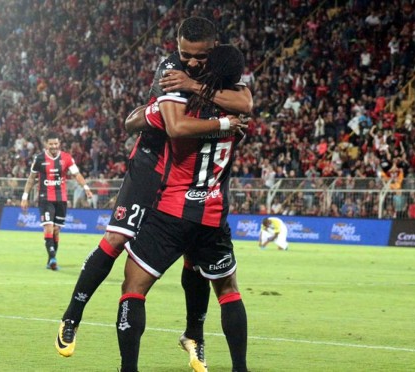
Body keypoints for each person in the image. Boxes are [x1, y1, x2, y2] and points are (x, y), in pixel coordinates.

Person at [55, 17, 252, 372]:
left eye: (201, 57)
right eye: (185, 54)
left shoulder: (216, 81)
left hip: (180, 186)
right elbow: (151, 124)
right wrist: (220, 121)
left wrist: (194, 91)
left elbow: (243, 101)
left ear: (215, 51)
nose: (190, 62)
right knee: (116, 238)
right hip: (150, 167)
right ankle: (72, 315)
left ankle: (194, 334)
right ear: (177, 47)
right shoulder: (172, 71)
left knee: (181, 264)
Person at [115, 40, 249, 372]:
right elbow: (244, 100)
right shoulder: (237, 114)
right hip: (212, 215)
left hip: (171, 213)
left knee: (133, 286)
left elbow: (135, 123)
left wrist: (165, 99)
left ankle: (129, 368)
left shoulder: (182, 110)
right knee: (228, 290)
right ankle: (239, 368)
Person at [20, 132, 93, 271]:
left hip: (61, 199)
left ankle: (50, 260)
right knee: (48, 227)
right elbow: (31, 178)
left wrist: (86, 188)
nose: (54, 146)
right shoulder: (39, 158)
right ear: (46, 144)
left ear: (59, 143)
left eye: (56, 143)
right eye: (51, 144)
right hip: (45, 198)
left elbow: (76, 174)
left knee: (56, 230)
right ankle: (53, 258)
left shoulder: (66, 158)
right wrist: (24, 197)